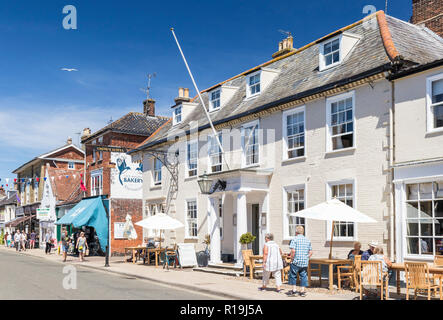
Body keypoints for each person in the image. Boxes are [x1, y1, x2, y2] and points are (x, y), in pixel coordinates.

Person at [288, 225, 313, 297]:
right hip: (304, 262)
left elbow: (293, 251)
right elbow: (311, 252)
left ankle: (294, 291)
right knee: (303, 276)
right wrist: (306, 257)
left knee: (293, 275)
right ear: (303, 232)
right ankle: (302, 291)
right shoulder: (307, 240)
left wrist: (291, 259)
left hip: (296, 261)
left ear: (296, 232)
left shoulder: (294, 239)